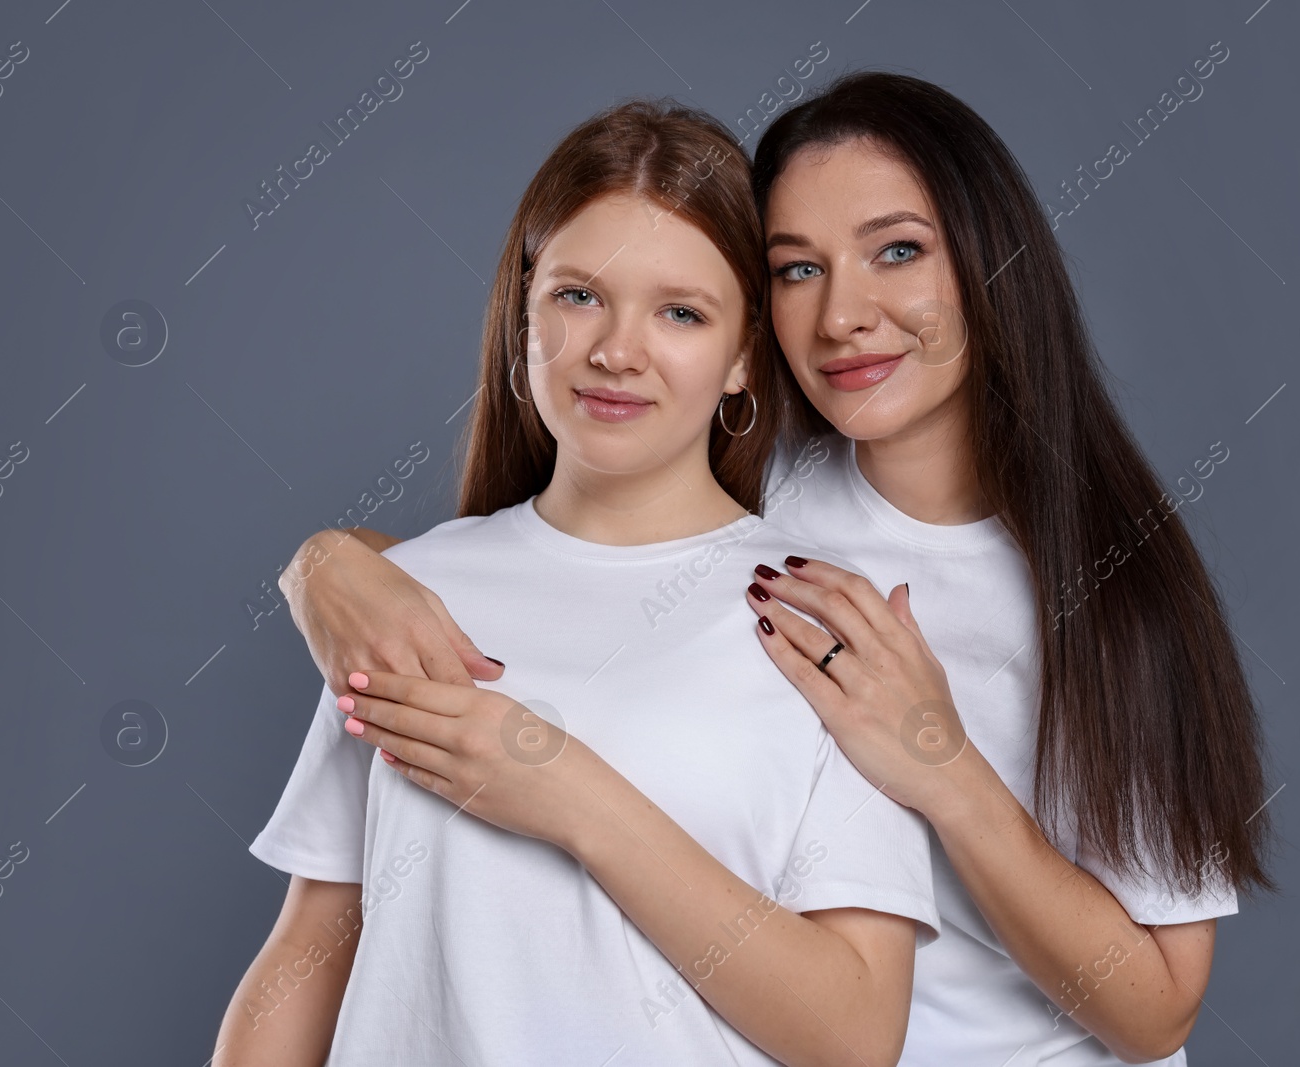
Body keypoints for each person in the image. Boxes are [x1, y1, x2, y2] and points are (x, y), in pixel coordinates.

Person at [271, 72, 1277, 1066]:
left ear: (990, 261)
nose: (843, 314)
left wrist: (939, 767)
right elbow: (546, 569)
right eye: (798, 268)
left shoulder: (1105, 588)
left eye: (897, 251)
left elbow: (1155, 1012)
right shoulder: (766, 496)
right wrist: (327, 567)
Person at [213, 99, 941, 1067]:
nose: (615, 350)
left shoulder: (815, 615)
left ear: (740, 358)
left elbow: (853, 1033)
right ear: (523, 316)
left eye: (680, 312)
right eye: (577, 296)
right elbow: (312, 944)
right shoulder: (405, 596)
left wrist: (566, 790)